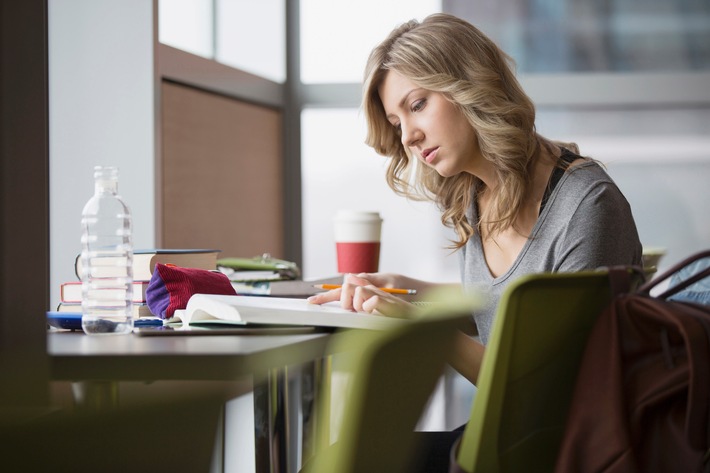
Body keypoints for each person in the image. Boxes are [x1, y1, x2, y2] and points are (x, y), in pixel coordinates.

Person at [306, 13, 642, 469]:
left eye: (418, 104)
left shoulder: (587, 206)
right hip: (504, 437)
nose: (408, 135)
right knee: (333, 459)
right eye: (395, 120)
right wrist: (409, 289)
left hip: (553, 453)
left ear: (469, 83)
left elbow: (551, 401)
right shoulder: (474, 194)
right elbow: (513, 303)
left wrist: (426, 330)